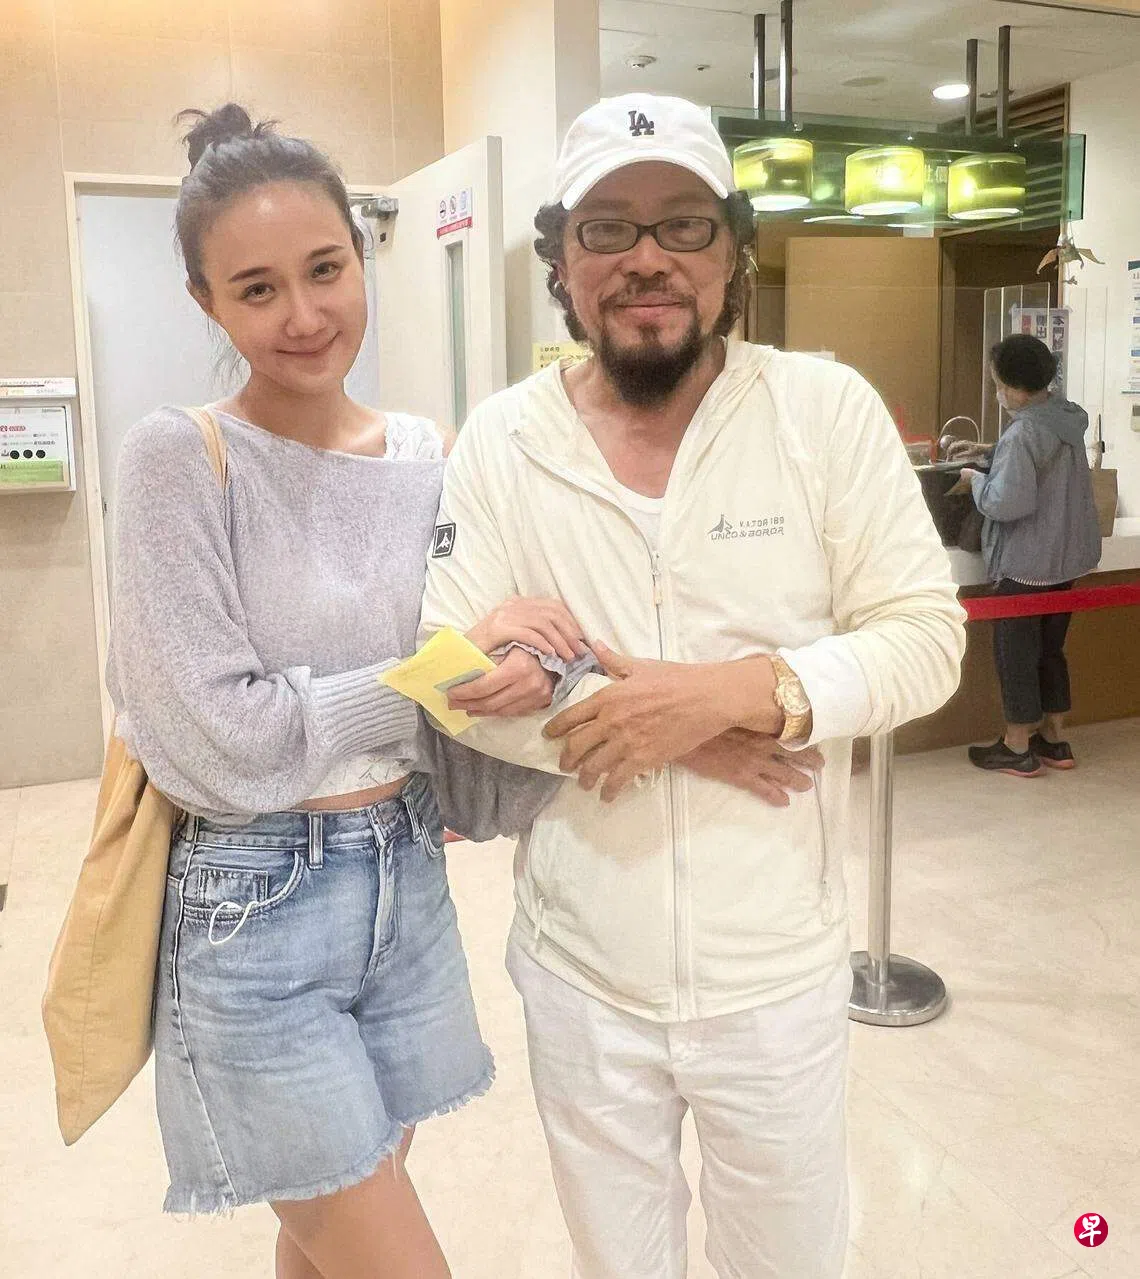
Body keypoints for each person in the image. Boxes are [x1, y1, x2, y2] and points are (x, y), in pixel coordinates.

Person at [419, 93, 967, 1279]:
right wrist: (667, 725)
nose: (647, 257)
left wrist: (733, 693)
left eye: (684, 223)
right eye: (607, 228)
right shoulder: (504, 440)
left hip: (776, 972)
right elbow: (447, 665)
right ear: (562, 262)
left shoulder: (822, 410)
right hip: (579, 965)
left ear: (733, 251)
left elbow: (925, 638)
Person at [107, 103, 586, 1279]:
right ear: (206, 302)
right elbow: (220, 738)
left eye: (325, 269)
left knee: (321, 1246)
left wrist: (530, 667)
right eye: (256, 288)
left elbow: (475, 690)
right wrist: (442, 674)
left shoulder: (427, 453)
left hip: (407, 887)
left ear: (363, 256)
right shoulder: (179, 457)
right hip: (254, 907)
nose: (304, 315)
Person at [962, 333, 1101, 777]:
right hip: (1065, 562)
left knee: (1016, 655)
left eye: (999, 385)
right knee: (1050, 651)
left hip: (1025, 565)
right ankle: (1055, 741)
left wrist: (975, 479)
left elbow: (1007, 502)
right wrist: (993, 451)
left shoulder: (1023, 432)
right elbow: (1042, 458)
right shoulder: (1065, 417)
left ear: (1017, 388)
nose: (998, 394)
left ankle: (1017, 746)